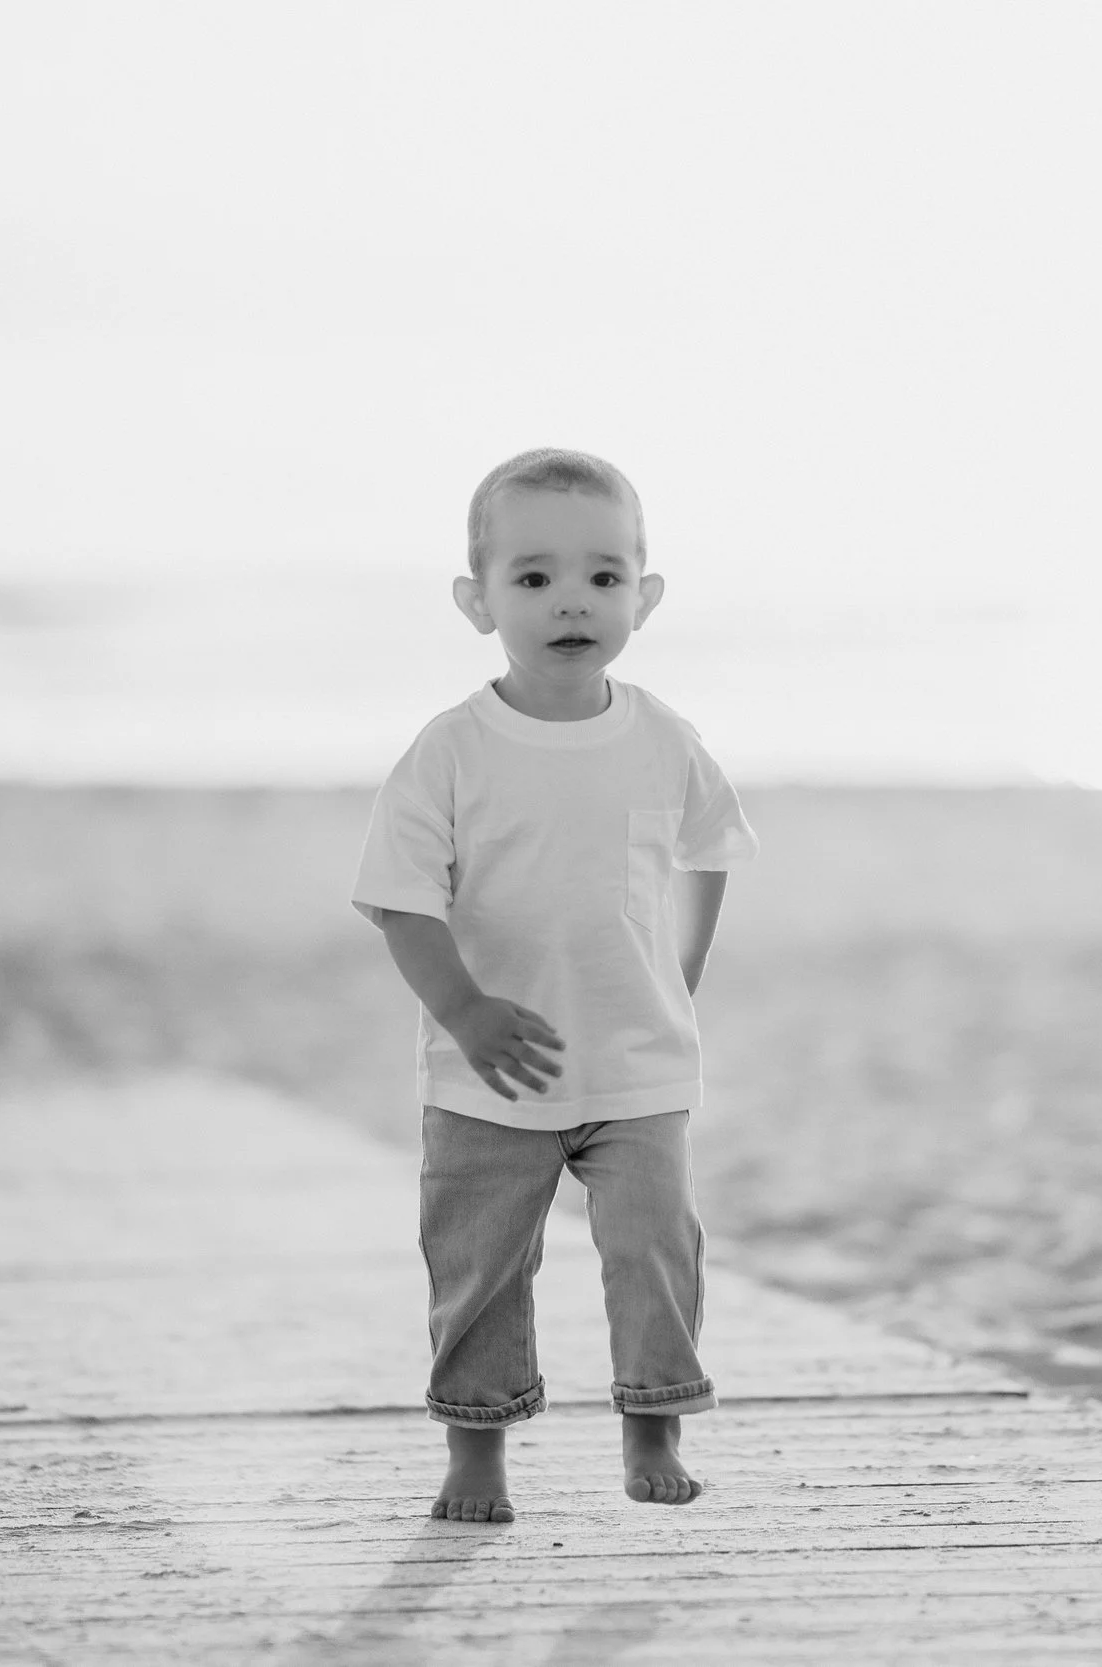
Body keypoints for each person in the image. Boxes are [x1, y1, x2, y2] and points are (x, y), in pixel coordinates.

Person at [351, 447, 758, 1523]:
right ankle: (476, 1449)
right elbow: (401, 898)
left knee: (654, 1246)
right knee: (479, 1267)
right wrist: (468, 1013)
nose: (571, 600)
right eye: (531, 578)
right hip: (492, 1076)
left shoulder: (663, 736)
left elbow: (711, 849)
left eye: (602, 576)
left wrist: (685, 969)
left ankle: (653, 1417)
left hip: (637, 1063)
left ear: (644, 594)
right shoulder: (450, 749)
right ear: (474, 600)